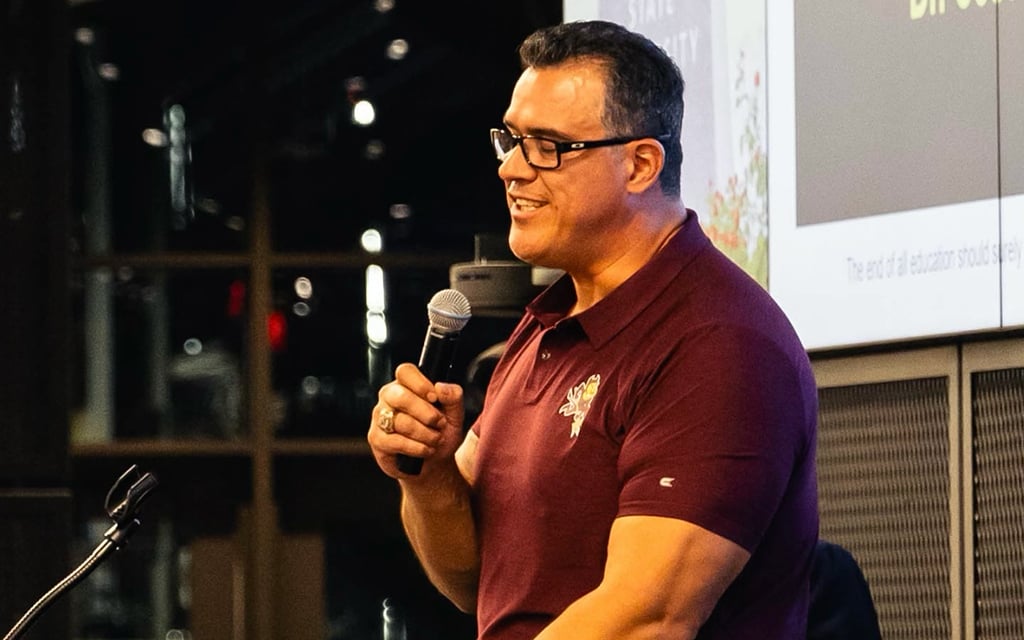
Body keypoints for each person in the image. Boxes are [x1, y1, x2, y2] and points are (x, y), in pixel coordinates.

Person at [367, 19, 819, 640]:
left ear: (639, 165)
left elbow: (645, 618)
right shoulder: (545, 326)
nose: (512, 170)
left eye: (548, 146)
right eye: (510, 139)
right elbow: (478, 585)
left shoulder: (720, 343)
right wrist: (430, 477)